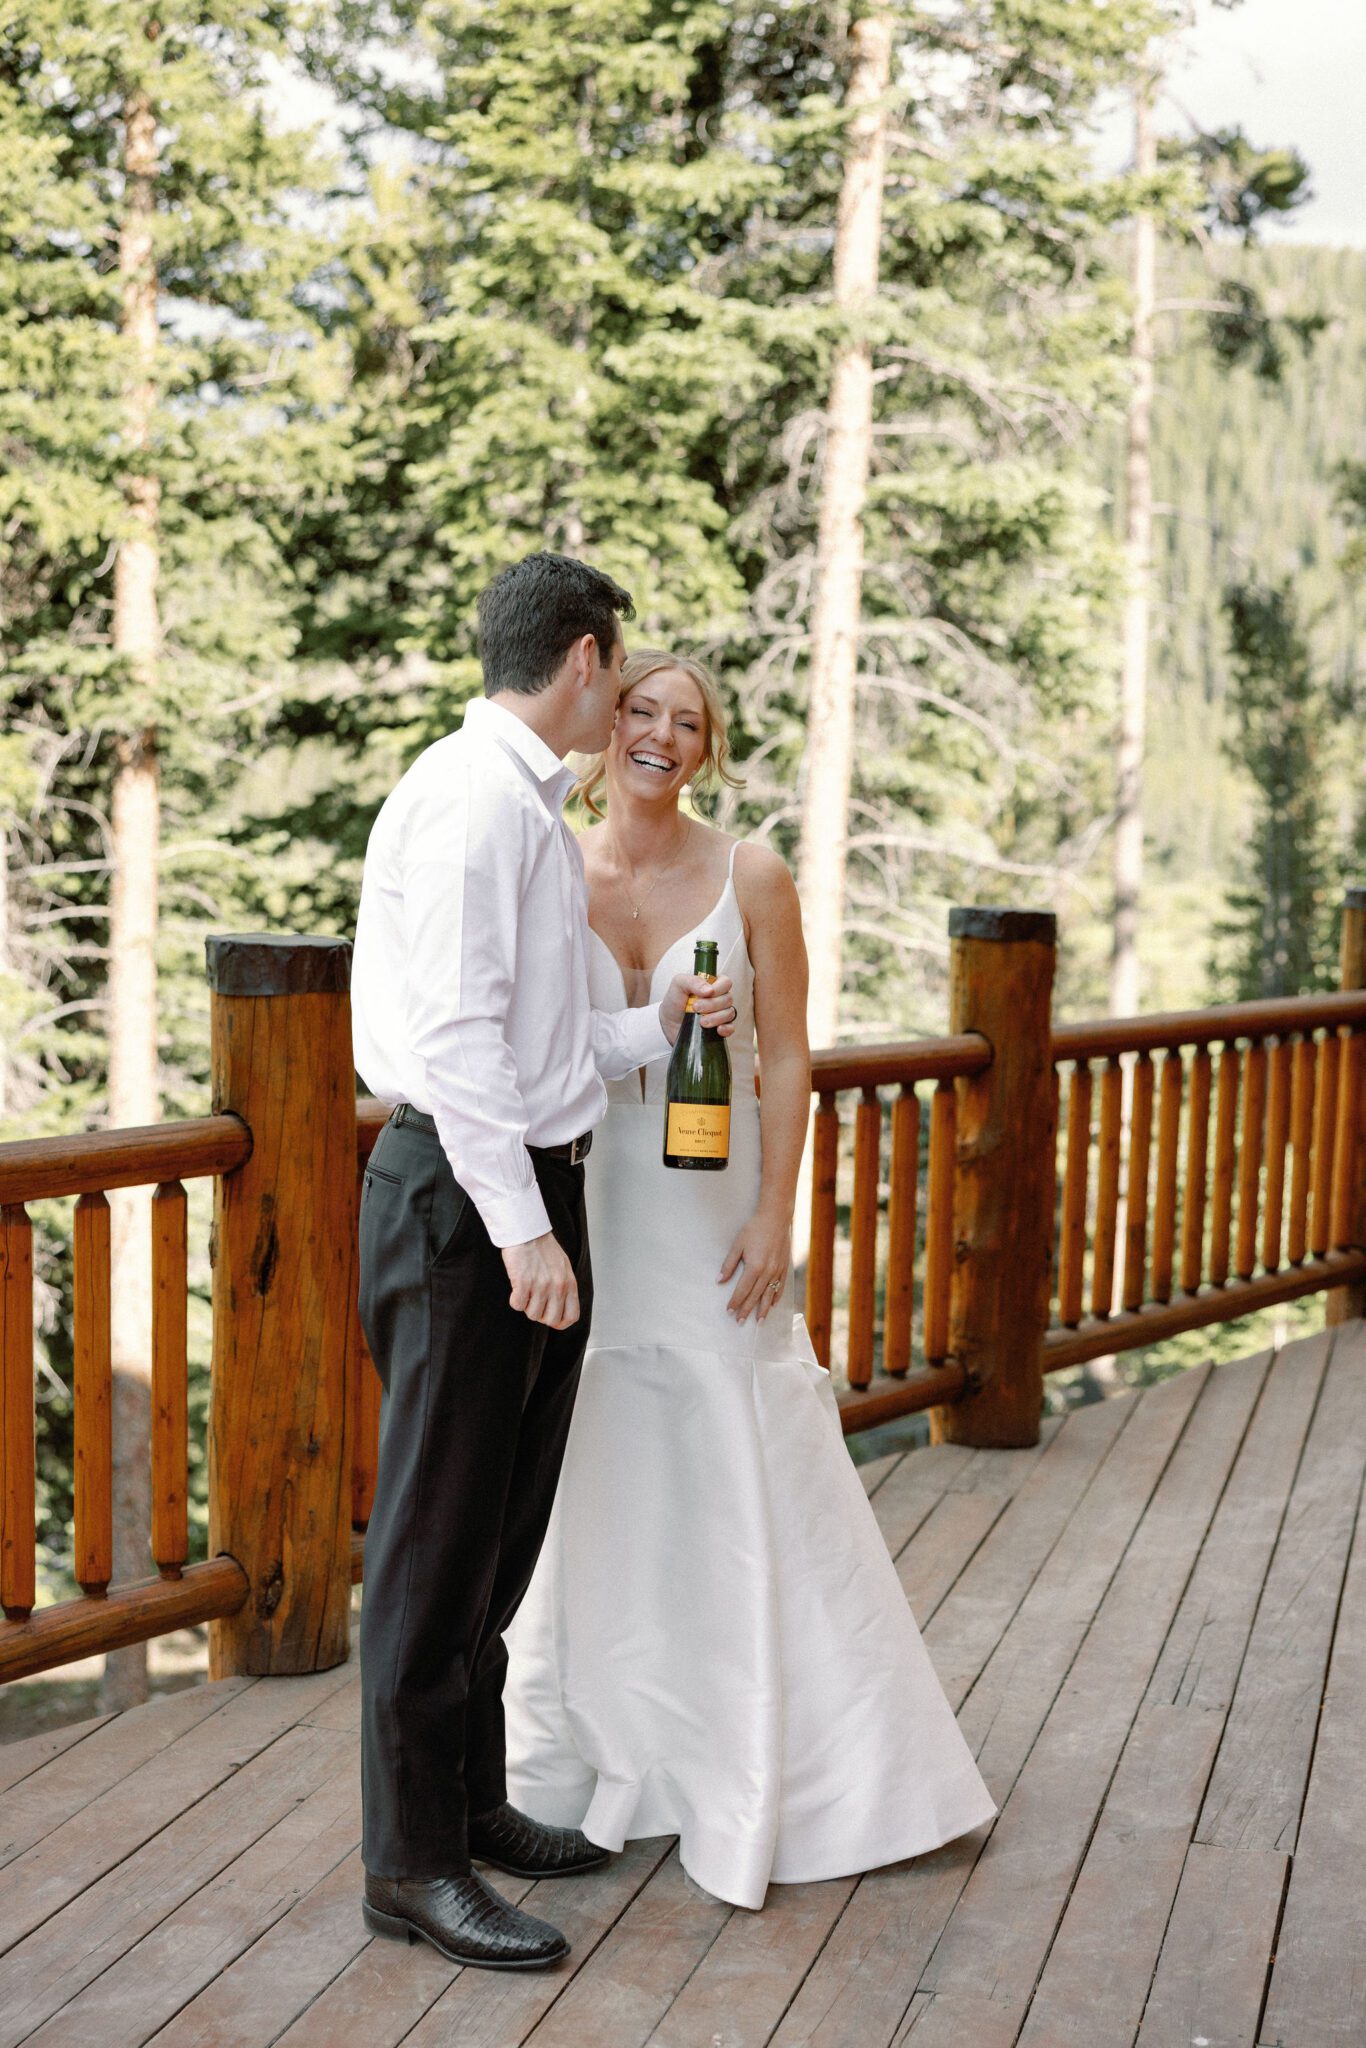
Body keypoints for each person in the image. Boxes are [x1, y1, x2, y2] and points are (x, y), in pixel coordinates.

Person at [502, 649, 996, 1910]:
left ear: (706, 748)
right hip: (589, 1186)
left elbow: (790, 1056)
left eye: (689, 721)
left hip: (710, 1201)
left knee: (731, 1423)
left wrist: (779, 1214)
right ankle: (615, 1752)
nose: (662, 734)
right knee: (597, 1447)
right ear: (607, 729)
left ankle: (796, 1750)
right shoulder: (551, 856)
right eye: (643, 712)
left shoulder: (750, 874)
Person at [350, 559, 738, 1970]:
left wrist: (660, 1020)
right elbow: (454, 1050)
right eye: (616, 666)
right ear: (584, 659)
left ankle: (472, 1806)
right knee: (431, 1546)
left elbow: (553, 1042)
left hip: (523, 1193)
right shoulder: (469, 805)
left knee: (497, 1535)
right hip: (466, 1205)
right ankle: (411, 1868)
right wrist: (521, 1234)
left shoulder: (522, 806)